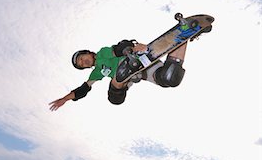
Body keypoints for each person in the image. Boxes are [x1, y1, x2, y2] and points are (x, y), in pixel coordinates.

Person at [49, 39, 187, 111]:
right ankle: (121, 76)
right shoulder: (96, 72)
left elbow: (116, 50)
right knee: (169, 78)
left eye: (82, 58)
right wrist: (64, 99)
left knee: (170, 79)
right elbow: (83, 89)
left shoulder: (102, 53)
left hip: (136, 60)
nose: (83, 62)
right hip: (138, 74)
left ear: (88, 52)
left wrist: (132, 48)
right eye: (82, 65)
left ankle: (126, 65)